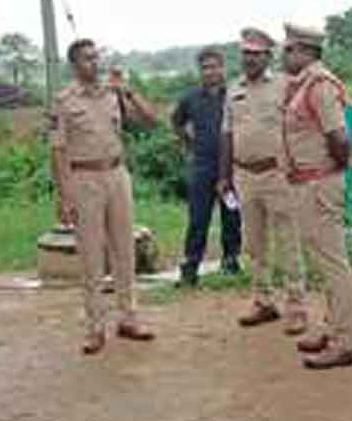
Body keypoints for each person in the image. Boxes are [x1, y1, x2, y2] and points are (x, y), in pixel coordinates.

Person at [50, 39, 158, 355]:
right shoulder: (64, 101)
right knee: (91, 255)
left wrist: (128, 91)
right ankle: (95, 326)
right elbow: (56, 150)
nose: (94, 63)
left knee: (124, 249)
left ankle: (129, 317)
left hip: (117, 174)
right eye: (86, 59)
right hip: (84, 179)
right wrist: (64, 194)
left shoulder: (113, 94)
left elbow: (150, 122)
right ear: (74, 65)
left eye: (96, 57)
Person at [281, 23, 352, 370]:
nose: (283, 55)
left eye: (289, 49)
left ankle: (346, 341)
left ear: (306, 51)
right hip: (307, 182)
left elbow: (339, 138)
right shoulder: (301, 86)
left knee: (333, 263)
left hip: (320, 183)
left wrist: (333, 172)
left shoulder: (320, 86)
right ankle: (332, 328)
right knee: (323, 260)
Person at [218, 27, 307, 334]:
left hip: (278, 173)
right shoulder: (233, 89)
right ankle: (263, 300)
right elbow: (227, 133)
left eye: (256, 54)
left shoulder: (285, 85)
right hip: (245, 175)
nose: (250, 59)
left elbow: (299, 128)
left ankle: (296, 305)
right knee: (254, 241)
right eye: (245, 53)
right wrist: (224, 175)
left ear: (269, 57)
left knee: (287, 240)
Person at [171, 48, 242, 286]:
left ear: (223, 68)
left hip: (231, 164)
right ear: (199, 71)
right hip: (201, 165)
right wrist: (189, 143)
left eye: (214, 66)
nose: (210, 71)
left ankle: (231, 260)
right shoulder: (190, 98)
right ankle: (191, 266)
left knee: (231, 214)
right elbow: (177, 122)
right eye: (205, 67)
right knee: (198, 217)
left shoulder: (234, 95)